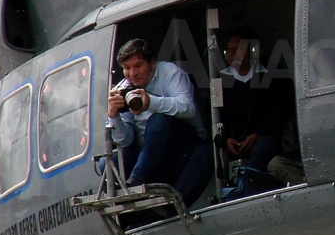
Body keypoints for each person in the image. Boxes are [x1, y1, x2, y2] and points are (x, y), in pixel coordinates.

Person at [107, 38, 212, 206]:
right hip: (151, 157)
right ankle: (126, 206)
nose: (132, 73)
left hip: (183, 147)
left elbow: (187, 108)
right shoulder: (123, 88)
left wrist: (151, 102)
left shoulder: (169, 72)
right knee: (109, 160)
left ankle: (136, 181)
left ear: (152, 62)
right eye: (127, 68)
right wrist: (113, 116)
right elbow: (124, 140)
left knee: (159, 120)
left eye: (138, 66)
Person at [219, 27, 295, 198]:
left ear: (252, 50)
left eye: (237, 48)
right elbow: (215, 115)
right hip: (234, 142)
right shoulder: (219, 81)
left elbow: (283, 109)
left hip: (263, 138)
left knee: (266, 145)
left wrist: (258, 134)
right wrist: (227, 138)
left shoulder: (275, 76)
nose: (231, 53)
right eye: (228, 49)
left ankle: (243, 186)